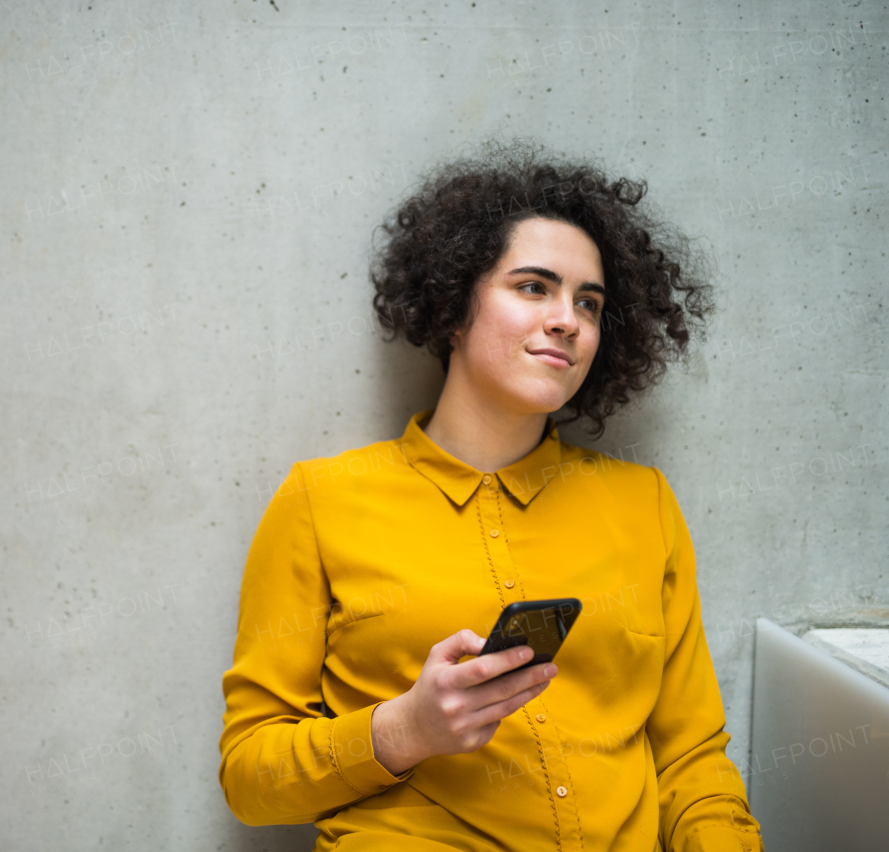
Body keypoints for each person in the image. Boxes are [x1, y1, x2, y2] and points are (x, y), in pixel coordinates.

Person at [218, 141, 765, 851]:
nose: (569, 319)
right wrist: (405, 730)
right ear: (452, 306)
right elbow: (249, 780)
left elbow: (691, 758)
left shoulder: (645, 503)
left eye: (589, 302)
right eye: (534, 287)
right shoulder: (321, 501)